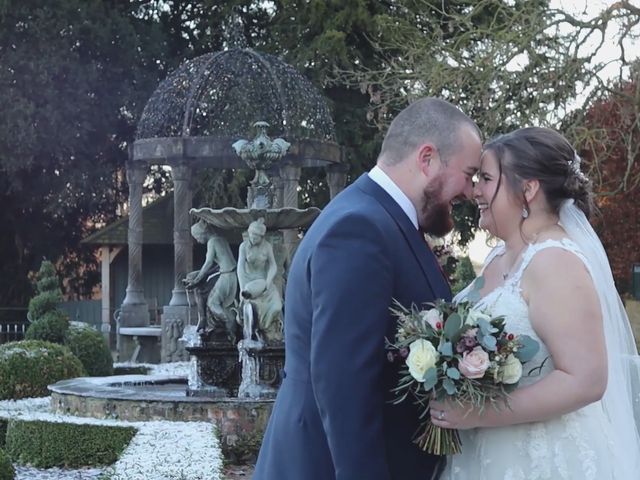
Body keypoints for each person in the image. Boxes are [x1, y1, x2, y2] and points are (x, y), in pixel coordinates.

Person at [254, 98, 483, 480]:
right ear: (427, 158)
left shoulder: (383, 220)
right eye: (469, 173)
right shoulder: (360, 228)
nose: (471, 191)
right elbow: (343, 384)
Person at [430, 127, 640, 479]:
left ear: (527, 189)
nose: (474, 190)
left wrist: (479, 413)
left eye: (486, 178)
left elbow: (586, 380)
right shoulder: (500, 255)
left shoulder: (555, 262)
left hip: (544, 459)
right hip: (483, 455)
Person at [184, 220, 238, 342]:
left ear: (203, 233)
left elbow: (208, 263)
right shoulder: (221, 239)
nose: (197, 241)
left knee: (213, 303)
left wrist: (197, 280)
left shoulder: (212, 242)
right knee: (209, 296)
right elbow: (219, 264)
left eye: (197, 237)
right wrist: (200, 275)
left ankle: (230, 321)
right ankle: (214, 324)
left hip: (227, 277)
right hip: (231, 274)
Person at [237, 217, 283, 343]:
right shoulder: (243, 247)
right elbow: (240, 268)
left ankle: (266, 328)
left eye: (256, 237)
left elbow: (273, 265)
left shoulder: (267, 246)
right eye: (251, 235)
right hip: (249, 284)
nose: (253, 238)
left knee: (277, 307)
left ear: (262, 237)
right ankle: (260, 333)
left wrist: (268, 282)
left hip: (264, 282)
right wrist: (242, 288)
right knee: (251, 308)